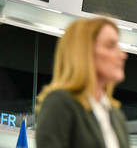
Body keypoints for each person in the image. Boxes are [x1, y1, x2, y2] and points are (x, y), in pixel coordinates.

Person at [36, 17, 129, 148]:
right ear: (84, 52)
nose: (123, 55)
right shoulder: (60, 103)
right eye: (110, 46)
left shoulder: (116, 115)